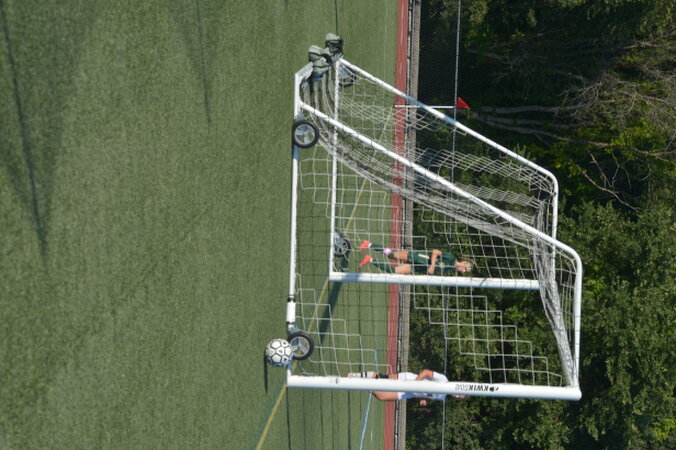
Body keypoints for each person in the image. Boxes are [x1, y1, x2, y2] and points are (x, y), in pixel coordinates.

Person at [348, 369, 466, 405]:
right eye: (459, 394)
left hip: (407, 393)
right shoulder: (443, 380)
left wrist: (422, 399)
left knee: (381, 396)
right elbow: (425, 372)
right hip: (408, 379)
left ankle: (361, 382)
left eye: (459, 397)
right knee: (381, 378)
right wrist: (416, 383)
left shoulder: (441, 397)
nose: (456, 396)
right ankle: (354, 376)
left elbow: (423, 393)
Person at [358, 240, 472, 275]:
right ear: (464, 262)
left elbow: (435, 268)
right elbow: (435, 252)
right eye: (465, 268)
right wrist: (432, 265)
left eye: (465, 271)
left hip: (418, 267)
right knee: (392, 255)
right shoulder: (451, 258)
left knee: (393, 271)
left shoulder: (449, 269)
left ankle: (369, 259)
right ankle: (368, 244)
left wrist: (430, 271)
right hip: (418, 257)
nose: (463, 271)